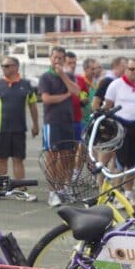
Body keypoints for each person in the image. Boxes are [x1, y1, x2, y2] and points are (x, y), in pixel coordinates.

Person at [0, 57, 39, 202]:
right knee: (1, 159)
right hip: (1, 129)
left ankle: (20, 189)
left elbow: (33, 106)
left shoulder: (26, 85)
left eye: (7, 66)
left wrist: (35, 124)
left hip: (19, 129)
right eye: (3, 66)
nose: (4, 68)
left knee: (18, 159)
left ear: (16, 67)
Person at [103, 59, 135, 203]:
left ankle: (129, 193)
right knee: (119, 162)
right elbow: (108, 106)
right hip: (120, 127)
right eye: (132, 69)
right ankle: (117, 194)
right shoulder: (115, 85)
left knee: (131, 162)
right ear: (126, 70)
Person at [39, 46, 81, 207]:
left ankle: (62, 188)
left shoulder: (68, 76)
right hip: (52, 122)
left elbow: (76, 91)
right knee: (52, 156)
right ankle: (52, 192)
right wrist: (65, 95)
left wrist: (63, 76)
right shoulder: (45, 78)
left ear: (64, 60)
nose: (57, 61)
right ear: (50, 58)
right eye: (55, 57)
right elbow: (46, 99)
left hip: (67, 121)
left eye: (60, 58)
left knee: (66, 156)